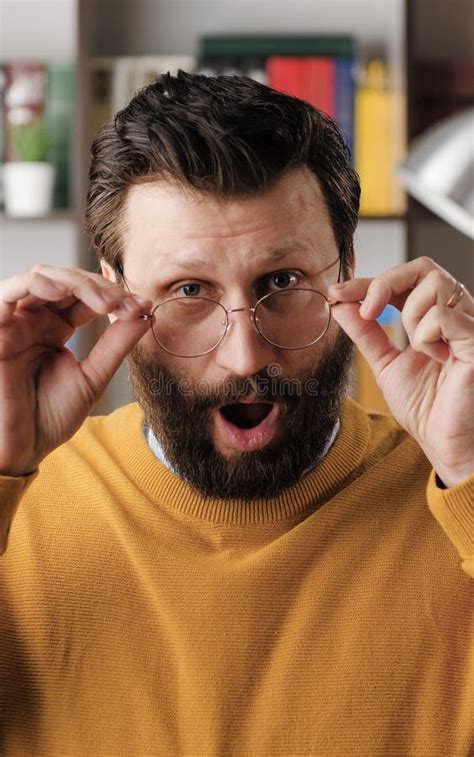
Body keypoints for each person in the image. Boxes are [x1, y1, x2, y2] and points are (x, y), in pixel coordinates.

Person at [0, 70, 472, 756]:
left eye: (282, 282)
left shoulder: (453, 501)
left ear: (347, 269)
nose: (246, 356)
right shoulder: (24, 514)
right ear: (112, 290)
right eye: (188, 290)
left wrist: (468, 469)